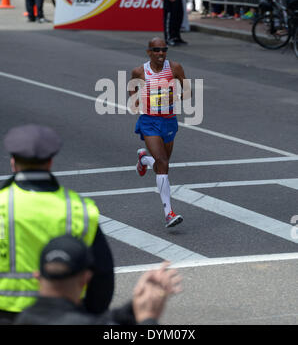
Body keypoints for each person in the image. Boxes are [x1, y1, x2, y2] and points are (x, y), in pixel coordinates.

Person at [0, 124, 114, 324]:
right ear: (50, 162)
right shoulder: (80, 209)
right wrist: (89, 315)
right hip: (64, 315)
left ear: (13, 162)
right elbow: (102, 275)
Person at [15, 235, 182, 325]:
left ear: (37, 276)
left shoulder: (23, 319)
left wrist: (133, 307)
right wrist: (148, 318)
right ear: (85, 279)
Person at [130, 37, 191, 228]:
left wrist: (177, 95)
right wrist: (137, 100)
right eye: (156, 50)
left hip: (168, 120)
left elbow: (188, 91)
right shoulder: (140, 71)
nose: (160, 53)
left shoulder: (175, 68)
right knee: (163, 164)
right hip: (149, 121)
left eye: (163, 49)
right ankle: (168, 213)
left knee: (160, 164)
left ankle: (143, 160)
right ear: (149, 52)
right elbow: (132, 92)